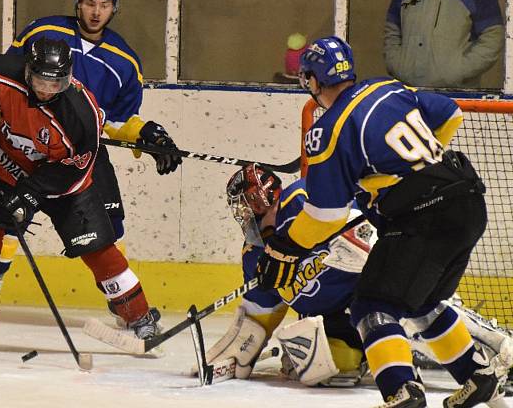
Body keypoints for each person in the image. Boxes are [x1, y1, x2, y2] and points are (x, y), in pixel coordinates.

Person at [258, 35, 511, 407]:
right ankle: (478, 375)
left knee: (371, 306)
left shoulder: (328, 131)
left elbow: (327, 216)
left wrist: (283, 247)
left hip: (423, 217)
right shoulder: (387, 87)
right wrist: (411, 168)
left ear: (311, 80)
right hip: (468, 201)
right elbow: (450, 114)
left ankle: (401, 391)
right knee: (422, 301)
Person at [202, 164, 513, 392]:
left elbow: (366, 231)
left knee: (415, 318)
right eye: (240, 210)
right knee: (315, 367)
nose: (244, 216)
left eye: (246, 206)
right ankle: (384, 361)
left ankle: (500, 353)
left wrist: (347, 247)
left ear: (263, 198)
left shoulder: (302, 201)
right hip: (335, 319)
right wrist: (230, 360)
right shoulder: (255, 255)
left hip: (376, 285)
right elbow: (256, 319)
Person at [0, 0, 181, 319]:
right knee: (8, 219)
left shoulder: (125, 62)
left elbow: (118, 120)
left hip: (82, 153)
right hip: (28, 143)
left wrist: (148, 135)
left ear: (114, 8)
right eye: (90, 3)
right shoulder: (42, 32)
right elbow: (9, 79)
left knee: (110, 225)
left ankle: (122, 303)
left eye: (104, 5)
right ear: (78, 2)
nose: (96, 11)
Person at [0, 37, 161, 356]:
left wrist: (28, 197)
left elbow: (73, 169)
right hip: (10, 164)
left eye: (57, 83)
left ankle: (141, 318)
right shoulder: (2, 73)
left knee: (97, 249)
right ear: (27, 71)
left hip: (65, 182)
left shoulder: (79, 113)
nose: (48, 90)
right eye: (40, 81)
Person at [384, 0, 503, 88]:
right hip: (409, 93)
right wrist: (399, 67)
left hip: (456, 97)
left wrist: (457, 71)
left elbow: (492, 38)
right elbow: (392, 32)